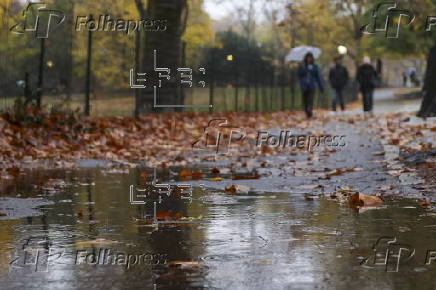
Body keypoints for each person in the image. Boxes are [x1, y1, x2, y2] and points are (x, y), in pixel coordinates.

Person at [297, 52, 325, 118]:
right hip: (304, 85)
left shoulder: (315, 67)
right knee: (305, 99)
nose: (309, 59)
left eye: (310, 57)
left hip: (312, 85)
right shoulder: (302, 66)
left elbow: (318, 77)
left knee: (310, 98)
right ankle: (307, 111)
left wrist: (321, 87)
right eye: (308, 57)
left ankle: (310, 110)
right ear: (306, 58)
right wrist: (303, 69)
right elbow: (299, 75)